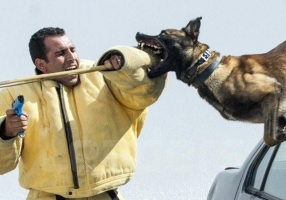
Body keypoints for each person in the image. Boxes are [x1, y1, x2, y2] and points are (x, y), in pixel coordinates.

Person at [0, 27, 167, 200]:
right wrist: (6, 132)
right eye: (61, 53)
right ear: (41, 64)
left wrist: (124, 62)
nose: (72, 58)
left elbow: (145, 93)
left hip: (106, 194)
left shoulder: (104, 74)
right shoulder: (13, 95)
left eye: (72, 49)